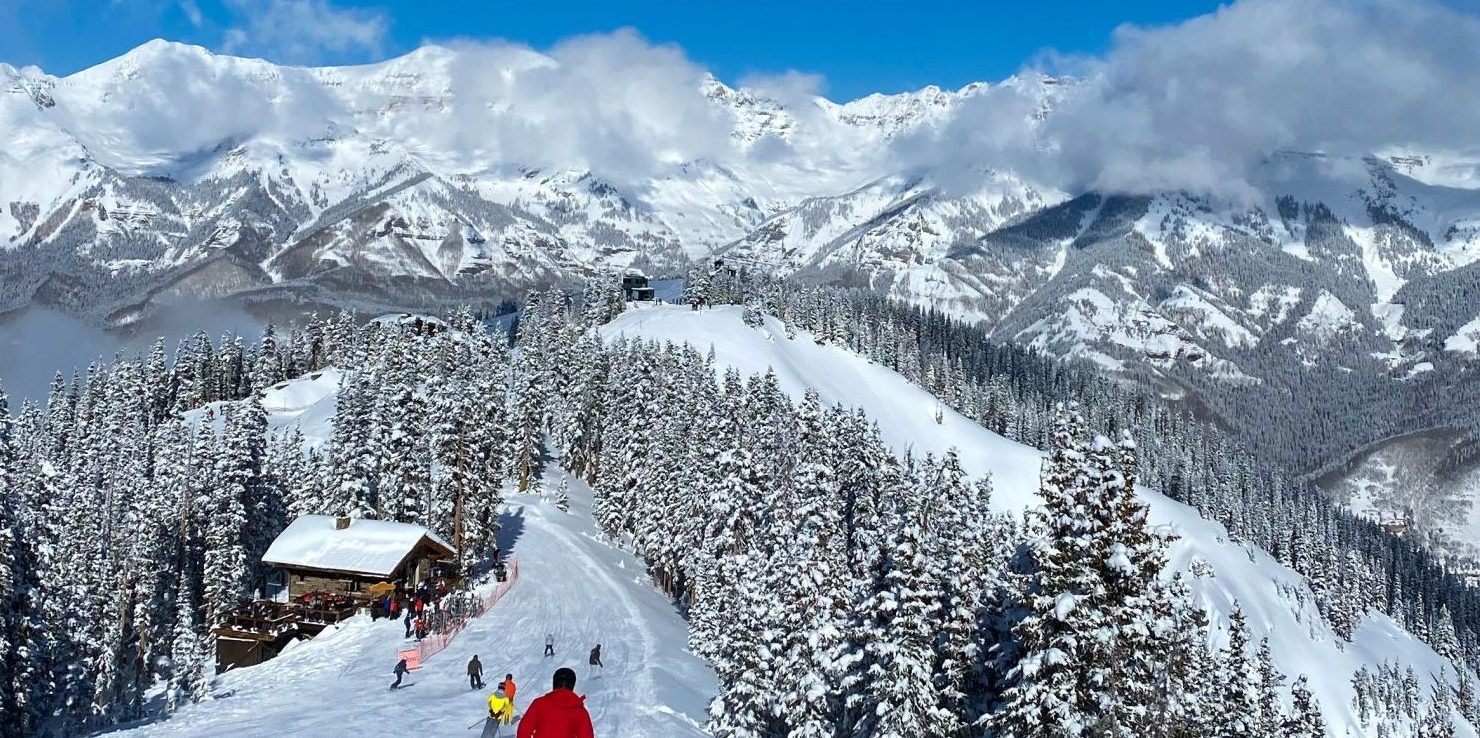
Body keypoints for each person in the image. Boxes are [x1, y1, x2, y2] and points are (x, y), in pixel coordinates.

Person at [516, 667, 593, 738]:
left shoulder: (539, 704)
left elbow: (523, 730)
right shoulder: (580, 711)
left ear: (554, 683)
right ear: (572, 685)